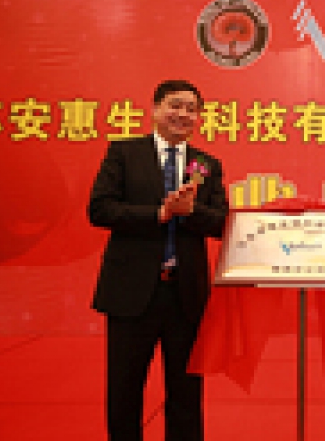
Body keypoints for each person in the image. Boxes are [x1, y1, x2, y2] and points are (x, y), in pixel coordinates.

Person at [88, 79, 229, 441]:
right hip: (131, 293)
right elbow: (100, 209)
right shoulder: (124, 153)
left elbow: (221, 223)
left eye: (191, 109)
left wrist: (190, 211)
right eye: (175, 105)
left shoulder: (206, 164)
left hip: (185, 295)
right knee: (124, 389)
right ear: (155, 109)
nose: (183, 114)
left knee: (186, 391)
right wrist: (159, 214)